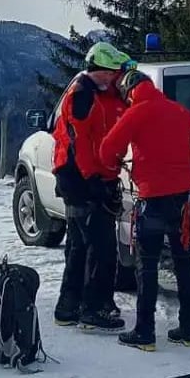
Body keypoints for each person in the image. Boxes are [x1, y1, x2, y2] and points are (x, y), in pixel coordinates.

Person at [98, 68, 190, 351]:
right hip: (182, 198)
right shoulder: (181, 112)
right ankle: (189, 328)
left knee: (148, 264)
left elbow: (108, 150)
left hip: (152, 196)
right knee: (183, 260)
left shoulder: (136, 113)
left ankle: (145, 331)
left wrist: (118, 164)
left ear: (130, 91)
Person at [51, 41, 134, 331]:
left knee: (79, 244)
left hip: (90, 176)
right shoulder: (82, 95)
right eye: (107, 72)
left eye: (113, 73)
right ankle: (93, 307)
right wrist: (94, 180)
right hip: (79, 176)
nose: (111, 77)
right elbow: (80, 143)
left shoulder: (110, 95)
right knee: (100, 246)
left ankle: (69, 305)